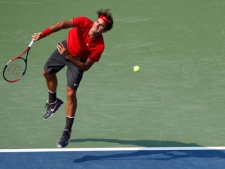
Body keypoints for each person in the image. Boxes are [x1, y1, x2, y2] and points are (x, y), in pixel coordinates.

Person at [31, 9, 113, 148]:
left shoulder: (99, 46)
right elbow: (62, 24)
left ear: (104, 31)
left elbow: (85, 67)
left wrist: (68, 56)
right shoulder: (83, 22)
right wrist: (43, 34)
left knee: (71, 93)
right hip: (66, 48)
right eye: (97, 22)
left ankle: (67, 131)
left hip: (77, 61)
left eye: (101, 26)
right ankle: (53, 102)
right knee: (46, 72)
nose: (96, 26)